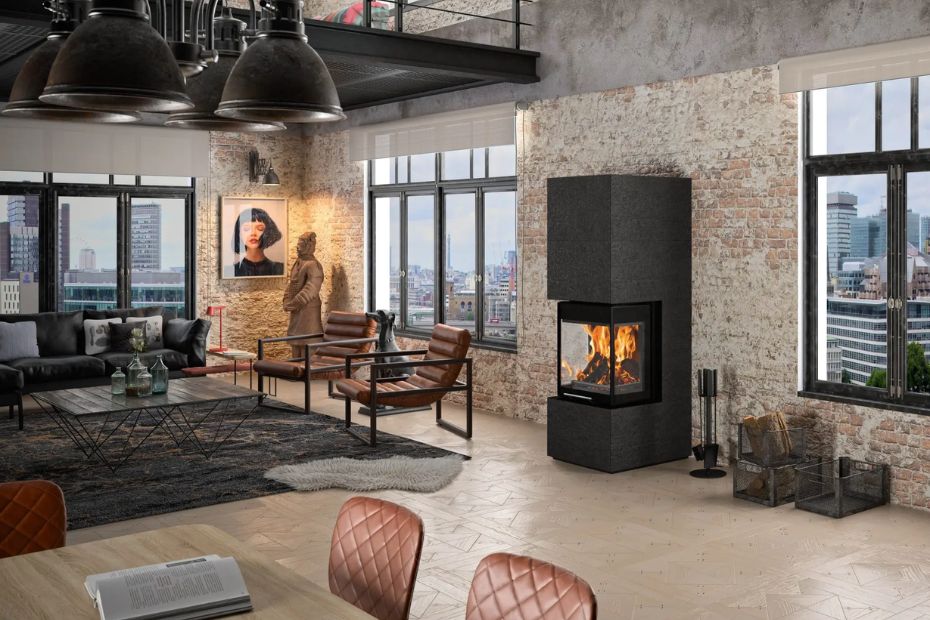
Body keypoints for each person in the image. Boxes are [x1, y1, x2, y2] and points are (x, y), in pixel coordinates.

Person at [283, 232, 324, 357]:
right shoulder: (298, 263)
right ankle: (295, 368)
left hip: (308, 310)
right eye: (298, 244)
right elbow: (292, 283)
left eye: (300, 244)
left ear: (308, 246)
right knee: (296, 343)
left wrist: (294, 303)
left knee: (308, 342)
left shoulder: (313, 265)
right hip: (297, 309)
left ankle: (307, 368)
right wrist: (286, 299)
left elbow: (311, 288)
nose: (297, 247)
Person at [230, 208, 284, 277]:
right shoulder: (231, 271)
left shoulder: (279, 269)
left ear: (267, 232)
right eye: (246, 229)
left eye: (260, 228)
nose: (253, 233)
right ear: (239, 234)